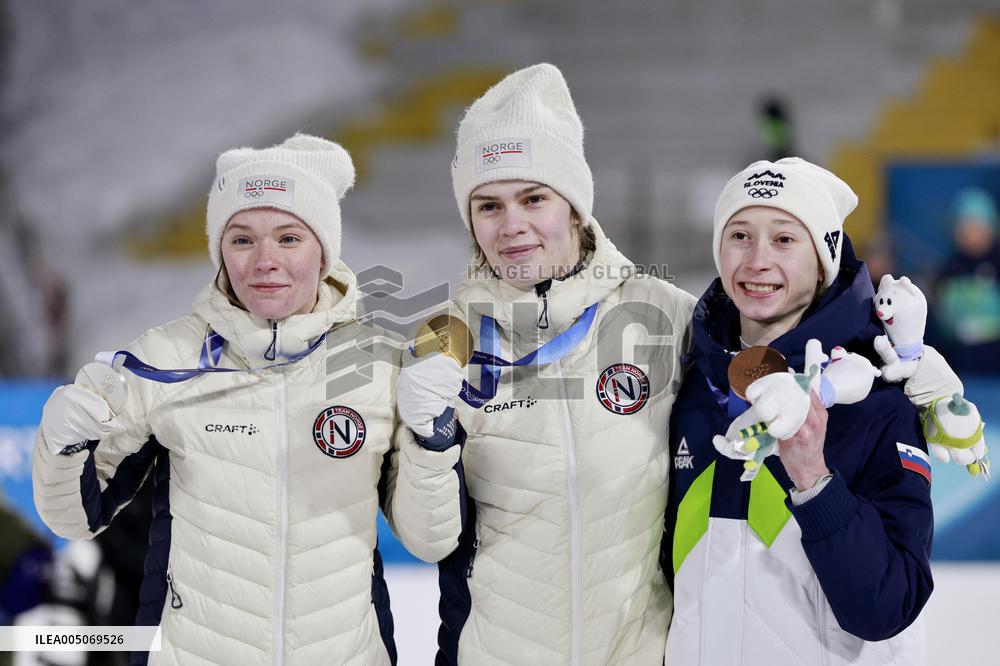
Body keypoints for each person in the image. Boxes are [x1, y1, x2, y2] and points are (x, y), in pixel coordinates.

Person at [32, 135, 463, 665]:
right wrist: (64, 446)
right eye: (241, 240)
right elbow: (75, 518)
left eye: (288, 238)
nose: (264, 261)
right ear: (219, 251)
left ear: (324, 250)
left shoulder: (378, 363)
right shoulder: (165, 358)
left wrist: (432, 436)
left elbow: (429, 539)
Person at [395, 63, 698, 665]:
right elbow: (427, 540)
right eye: (489, 206)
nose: (512, 227)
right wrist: (429, 438)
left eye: (534, 198)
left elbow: (773, 382)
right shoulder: (442, 339)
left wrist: (896, 370)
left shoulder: (666, 316)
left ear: (576, 208)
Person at [663, 157, 935, 664]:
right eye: (740, 235)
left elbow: (888, 609)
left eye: (785, 239)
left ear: (824, 260)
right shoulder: (695, 386)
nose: (757, 260)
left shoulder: (875, 400)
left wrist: (813, 477)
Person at [932, 186, 1000, 373]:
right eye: (964, 227)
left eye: (976, 227)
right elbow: (940, 312)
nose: (970, 234)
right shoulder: (950, 267)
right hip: (960, 360)